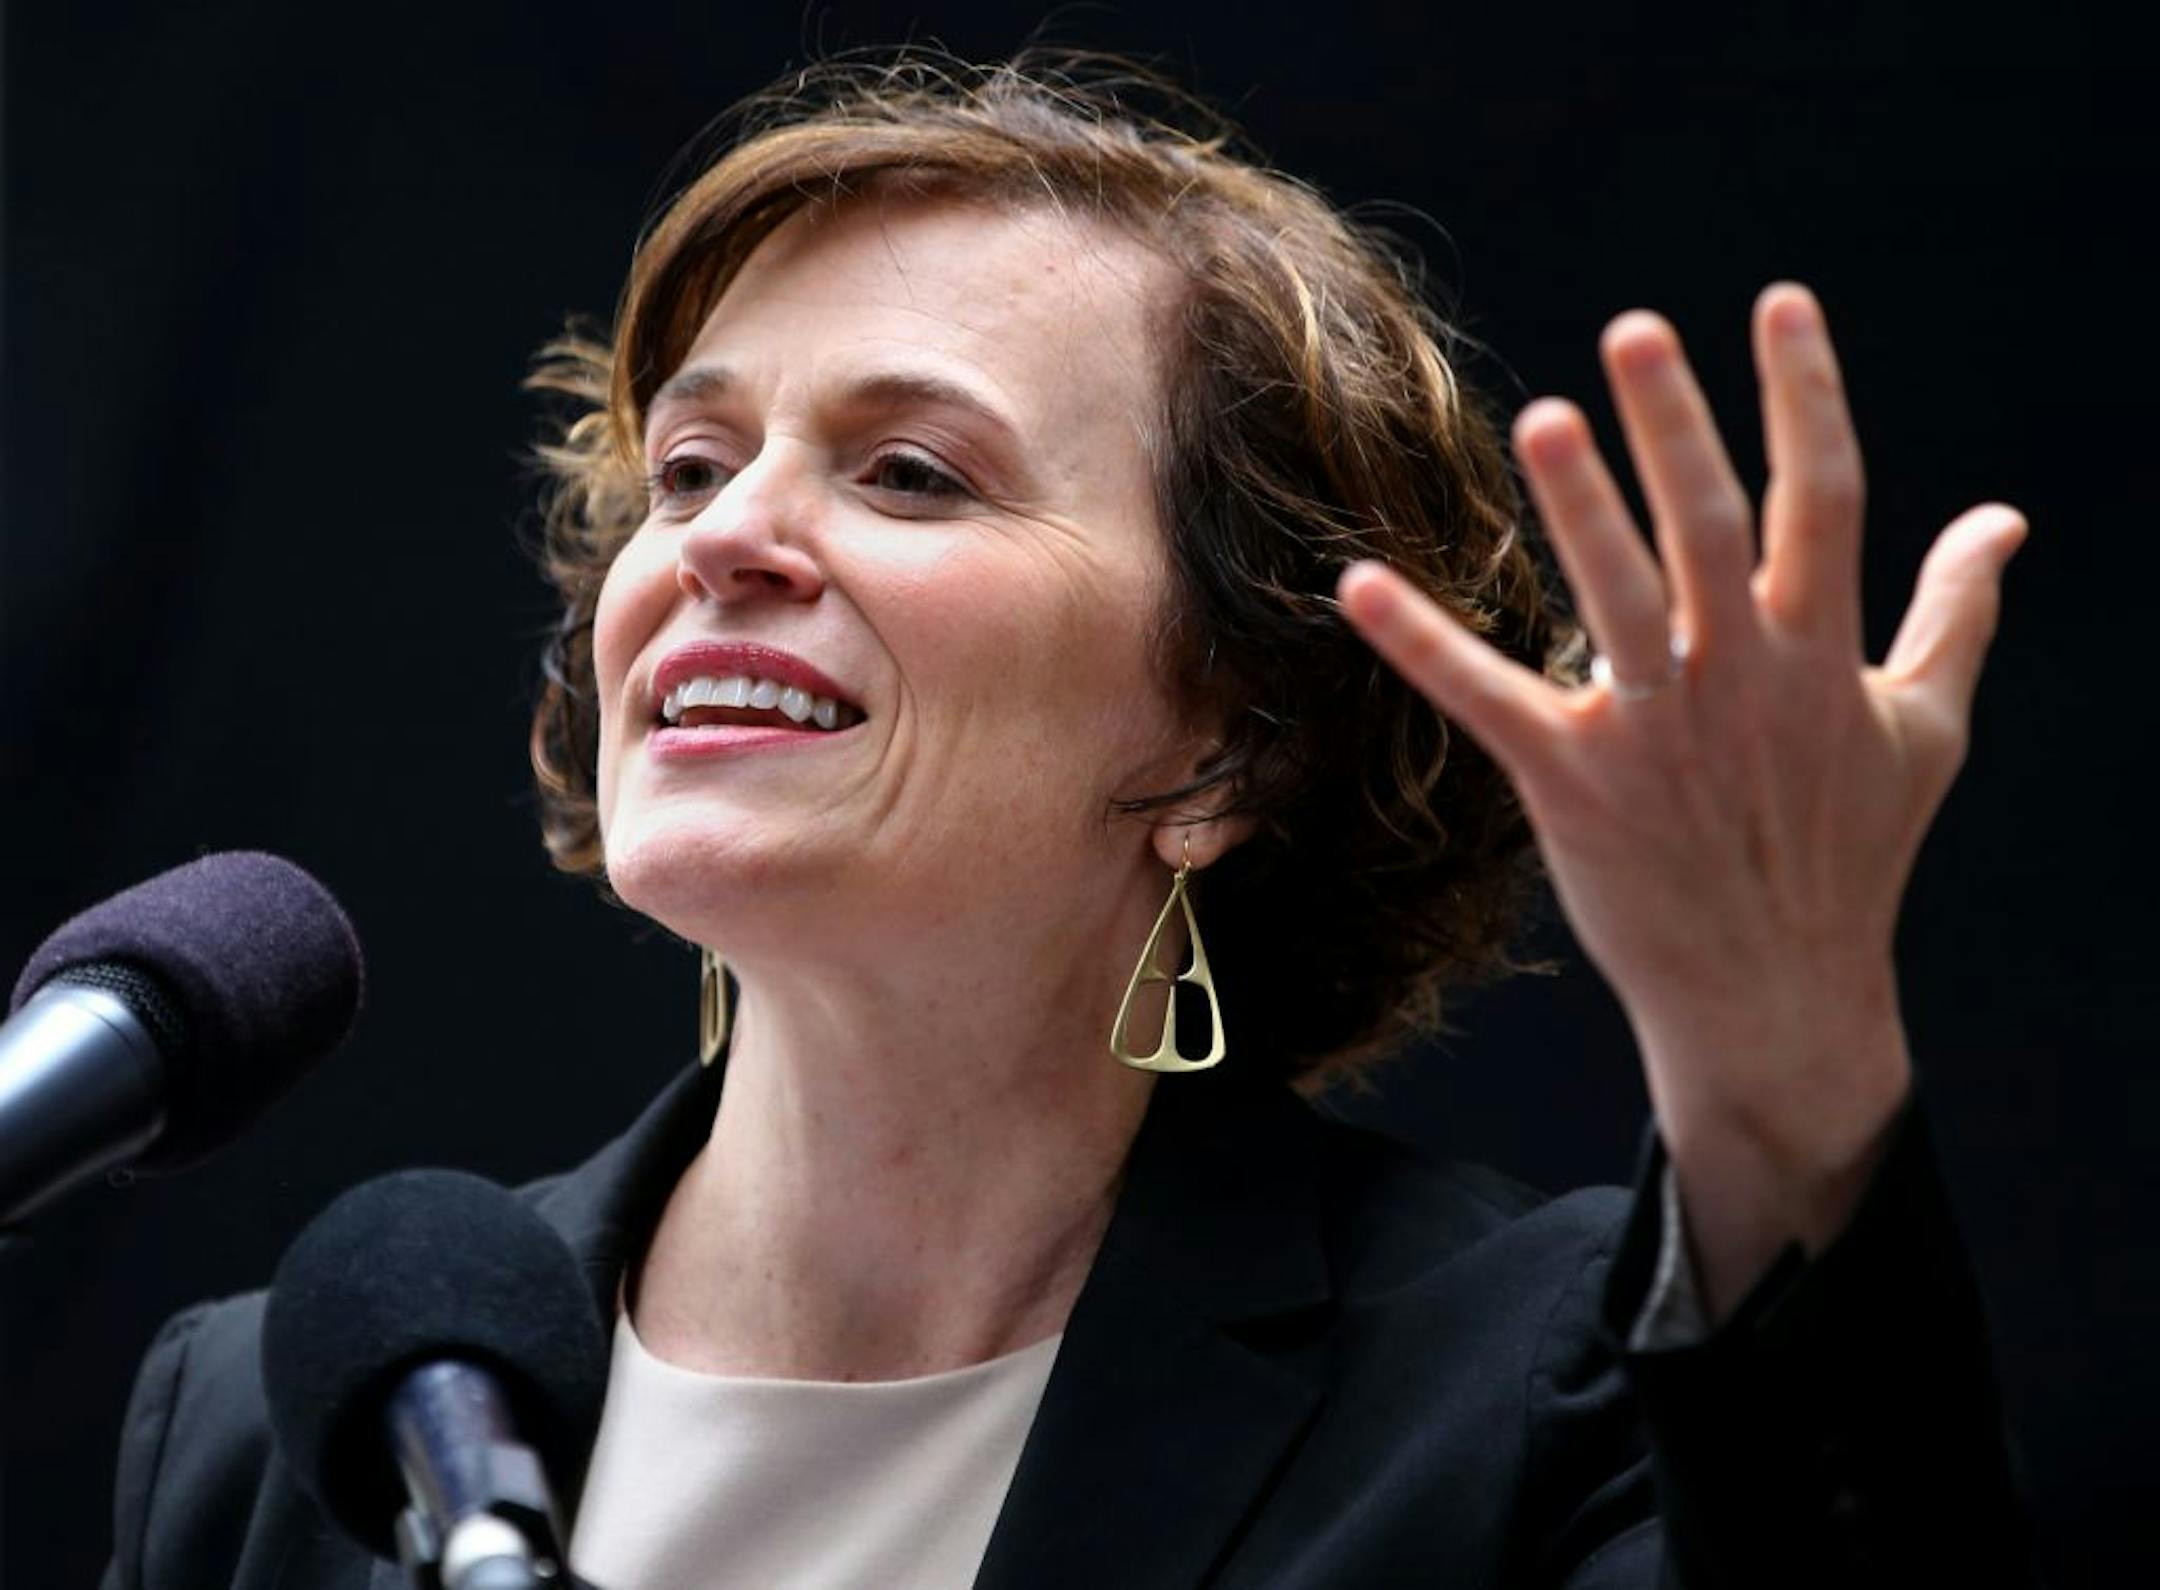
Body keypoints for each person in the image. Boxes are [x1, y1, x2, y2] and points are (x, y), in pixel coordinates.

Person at [102, 54, 2035, 1588]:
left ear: (1230, 746)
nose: (726, 536)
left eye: (912, 472)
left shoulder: (1526, 1392)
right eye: (689, 465)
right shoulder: (274, 1429)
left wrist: (1779, 1047)